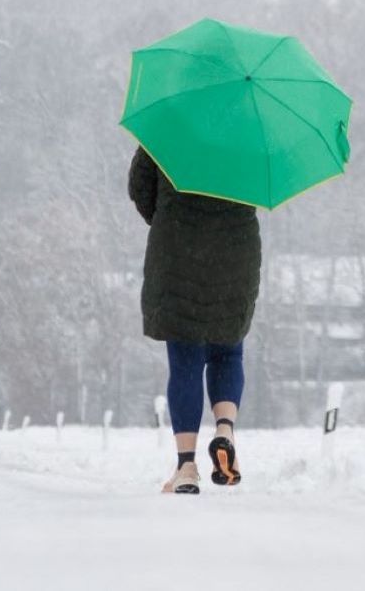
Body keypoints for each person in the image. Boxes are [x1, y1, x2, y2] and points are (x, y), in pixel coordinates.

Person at [128, 146, 261, 494]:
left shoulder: (170, 121)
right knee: (228, 351)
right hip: (235, 252)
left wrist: (169, 217)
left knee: (185, 359)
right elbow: (264, 184)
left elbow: (140, 186)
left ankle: (186, 466)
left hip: (178, 250)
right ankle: (225, 429)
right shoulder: (250, 127)